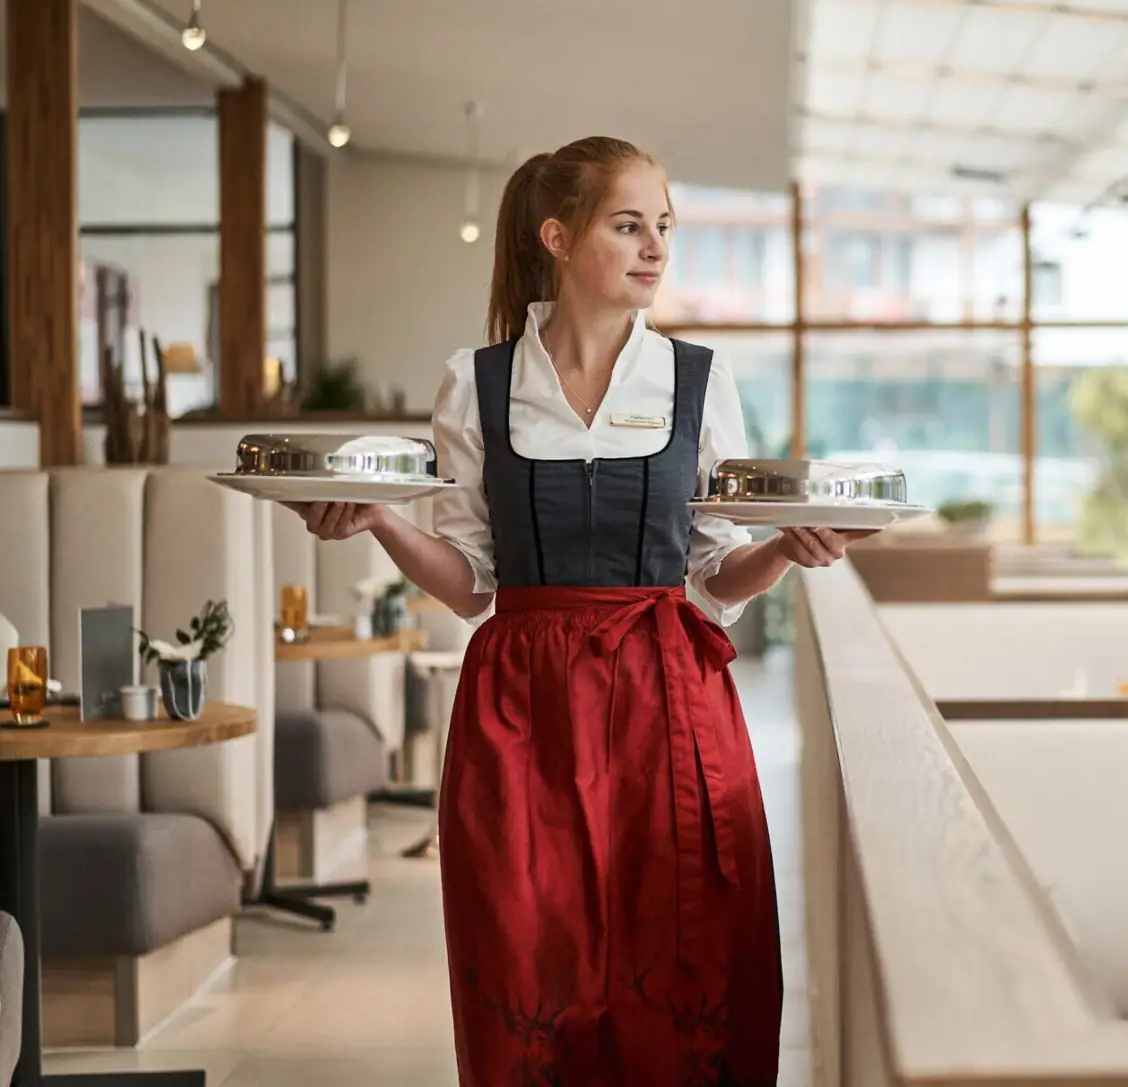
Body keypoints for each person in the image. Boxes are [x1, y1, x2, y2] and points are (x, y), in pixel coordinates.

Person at [295, 137, 871, 1086]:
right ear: (558, 237)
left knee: (680, 974)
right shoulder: (477, 382)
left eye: (665, 228)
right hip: (523, 714)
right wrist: (380, 521)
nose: (655, 248)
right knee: (526, 968)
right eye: (629, 224)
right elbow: (475, 581)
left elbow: (714, 579)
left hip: (669, 705)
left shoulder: (698, 380)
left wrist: (784, 548)